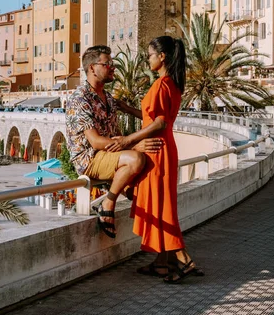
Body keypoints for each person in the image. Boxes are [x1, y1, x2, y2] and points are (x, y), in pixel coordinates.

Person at [108, 36, 203, 283]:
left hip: (158, 151)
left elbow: (159, 122)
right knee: (158, 204)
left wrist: (128, 140)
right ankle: (162, 263)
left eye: (150, 54)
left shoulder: (162, 85)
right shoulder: (171, 83)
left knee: (161, 208)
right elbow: (154, 117)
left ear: (162, 57)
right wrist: (127, 109)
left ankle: (184, 260)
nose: (147, 58)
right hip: (163, 149)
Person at [66, 45, 162, 239]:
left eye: (113, 64)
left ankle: (159, 247)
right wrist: (133, 146)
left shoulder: (108, 99)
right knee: (136, 159)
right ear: (92, 68)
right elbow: (95, 142)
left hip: (110, 156)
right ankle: (108, 202)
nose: (113, 68)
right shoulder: (80, 98)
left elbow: (122, 131)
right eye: (108, 64)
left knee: (148, 190)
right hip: (89, 159)